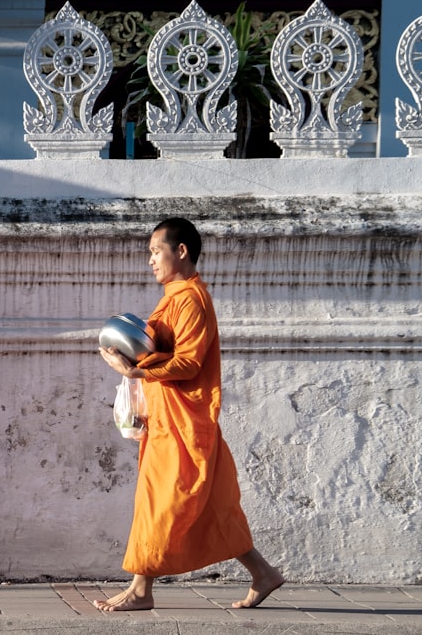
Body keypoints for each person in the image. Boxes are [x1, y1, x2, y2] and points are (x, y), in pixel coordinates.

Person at [95, 217, 284, 611]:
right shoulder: (174, 297)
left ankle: (140, 591)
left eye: (155, 251)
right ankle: (263, 574)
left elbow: (188, 363)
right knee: (214, 508)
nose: (150, 260)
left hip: (184, 424)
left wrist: (137, 370)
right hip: (169, 418)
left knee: (159, 502)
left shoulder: (190, 299)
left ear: (180, 251)